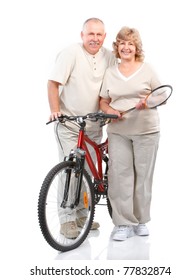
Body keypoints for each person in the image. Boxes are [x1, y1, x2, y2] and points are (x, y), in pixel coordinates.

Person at [47, 18, 116, 239]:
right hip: (70, 123)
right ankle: (67, 220)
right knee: (70, 171)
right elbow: (53, 83)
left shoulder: (109, 56)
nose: (94, 38)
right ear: (82, 35)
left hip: (94, 124)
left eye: (99, 34)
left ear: (104, 37)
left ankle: (81, 216)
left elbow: (116, 84)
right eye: (90, 34)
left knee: (87, 172)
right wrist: (56, 110)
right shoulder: (70, 53)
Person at [100, 26, 163, 241]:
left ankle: (141, 219)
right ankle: (123, 223)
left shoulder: (148, 69)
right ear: (117, 47)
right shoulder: (110, 72)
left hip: (146, 130)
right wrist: (110, 111)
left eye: (130, 43)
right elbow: (103, 100)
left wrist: (147, 102)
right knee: (119, 176)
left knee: (143, 176)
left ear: (136, 47)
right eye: (122, 43)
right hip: (118, 131)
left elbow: (163, 94)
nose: (126, 47)